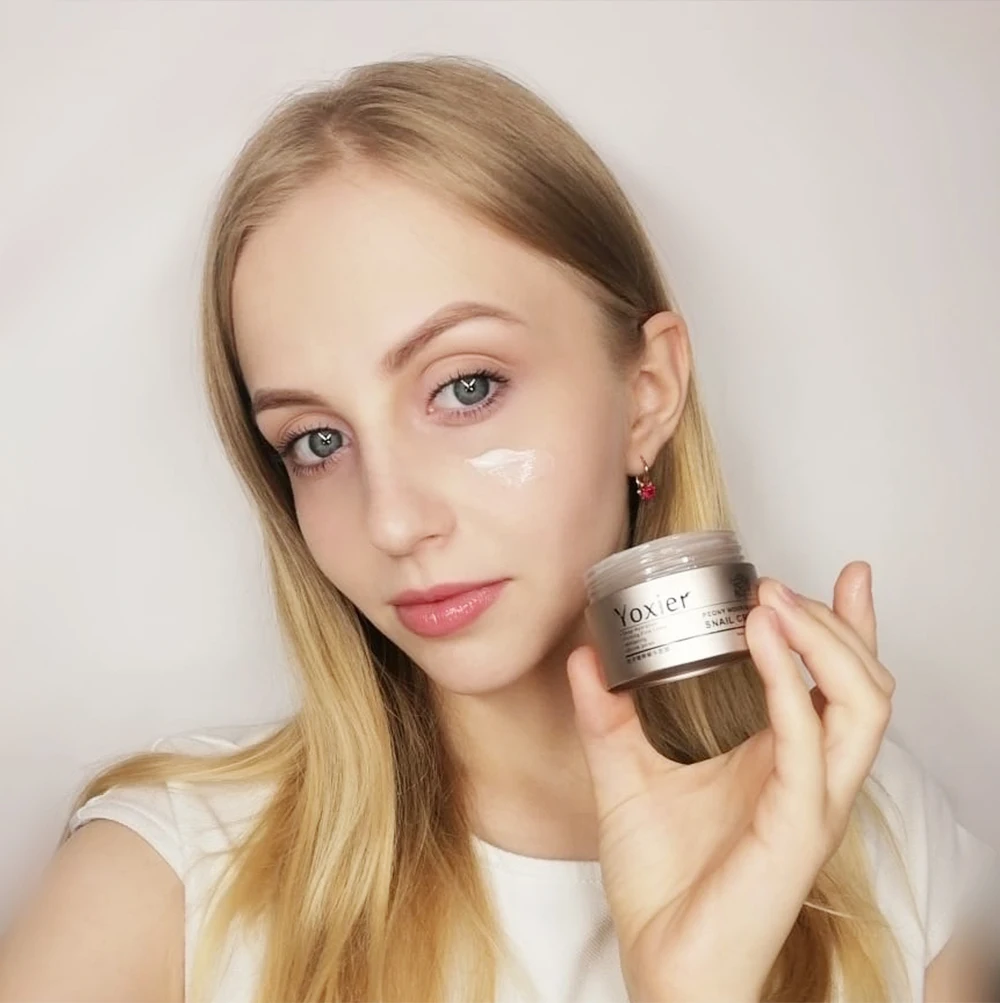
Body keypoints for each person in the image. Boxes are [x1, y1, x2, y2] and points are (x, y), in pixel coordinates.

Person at [0, 54, 996, 1003]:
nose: (393, 519)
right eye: (316, 440)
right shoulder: (158, 886)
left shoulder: (884, 845)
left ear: (647, 392)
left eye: (466, 387)